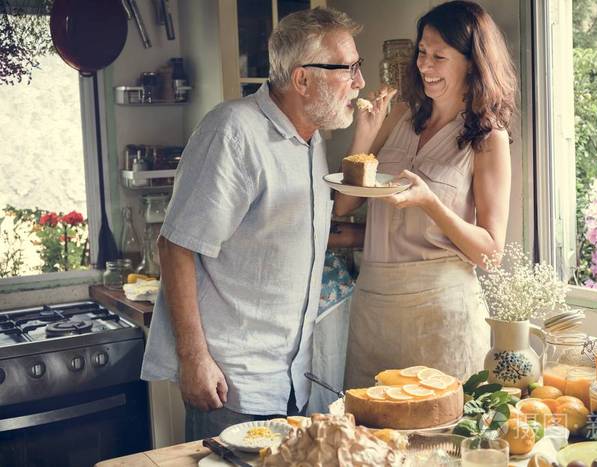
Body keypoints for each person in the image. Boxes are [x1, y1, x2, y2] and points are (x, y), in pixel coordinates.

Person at [140, 8, 366, 441]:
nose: (359, 81)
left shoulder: (310, 138)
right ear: (302, 80)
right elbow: (175, 246)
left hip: (292, 381)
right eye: (348, 69)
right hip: (232, 385)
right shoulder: (234, 131)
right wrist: (193, 359)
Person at [336, 0, 517, 388]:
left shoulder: (488, 138)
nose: (424, 65)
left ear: (471, 62)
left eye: (439, 56)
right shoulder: (402, 114)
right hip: (374, 306)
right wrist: (365, 136)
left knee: (440, 442)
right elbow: (345, 203)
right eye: (422, 52)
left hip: (441, 313)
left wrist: (430, 203)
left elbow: (491, 252)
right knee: (370, 437)